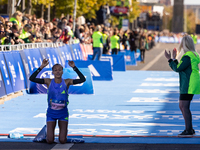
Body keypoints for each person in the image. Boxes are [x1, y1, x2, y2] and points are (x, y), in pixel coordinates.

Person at [29, 59, 86, 144]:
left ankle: (63, 134)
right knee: (50, 141)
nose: (58, 72)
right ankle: (46, 132)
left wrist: (74, 67)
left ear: (62, 71)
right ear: (52, 72)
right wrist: (41, 67)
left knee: (62, 140)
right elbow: (32, 78)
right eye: (55, 70)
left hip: (63, 113)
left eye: (59, 70)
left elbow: (82, 79)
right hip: (51, 113)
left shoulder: (67, 81)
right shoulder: (48, 81)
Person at [164, 35, 200, 137]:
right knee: (182, 106)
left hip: (188, 84)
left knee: (184, 106)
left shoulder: (187, 56)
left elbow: (178, 68)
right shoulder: (193, 54)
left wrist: (170, 59)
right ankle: (190, 128)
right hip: (190, 82)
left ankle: (188, 130)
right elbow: (181, 67)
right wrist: (174, 59)